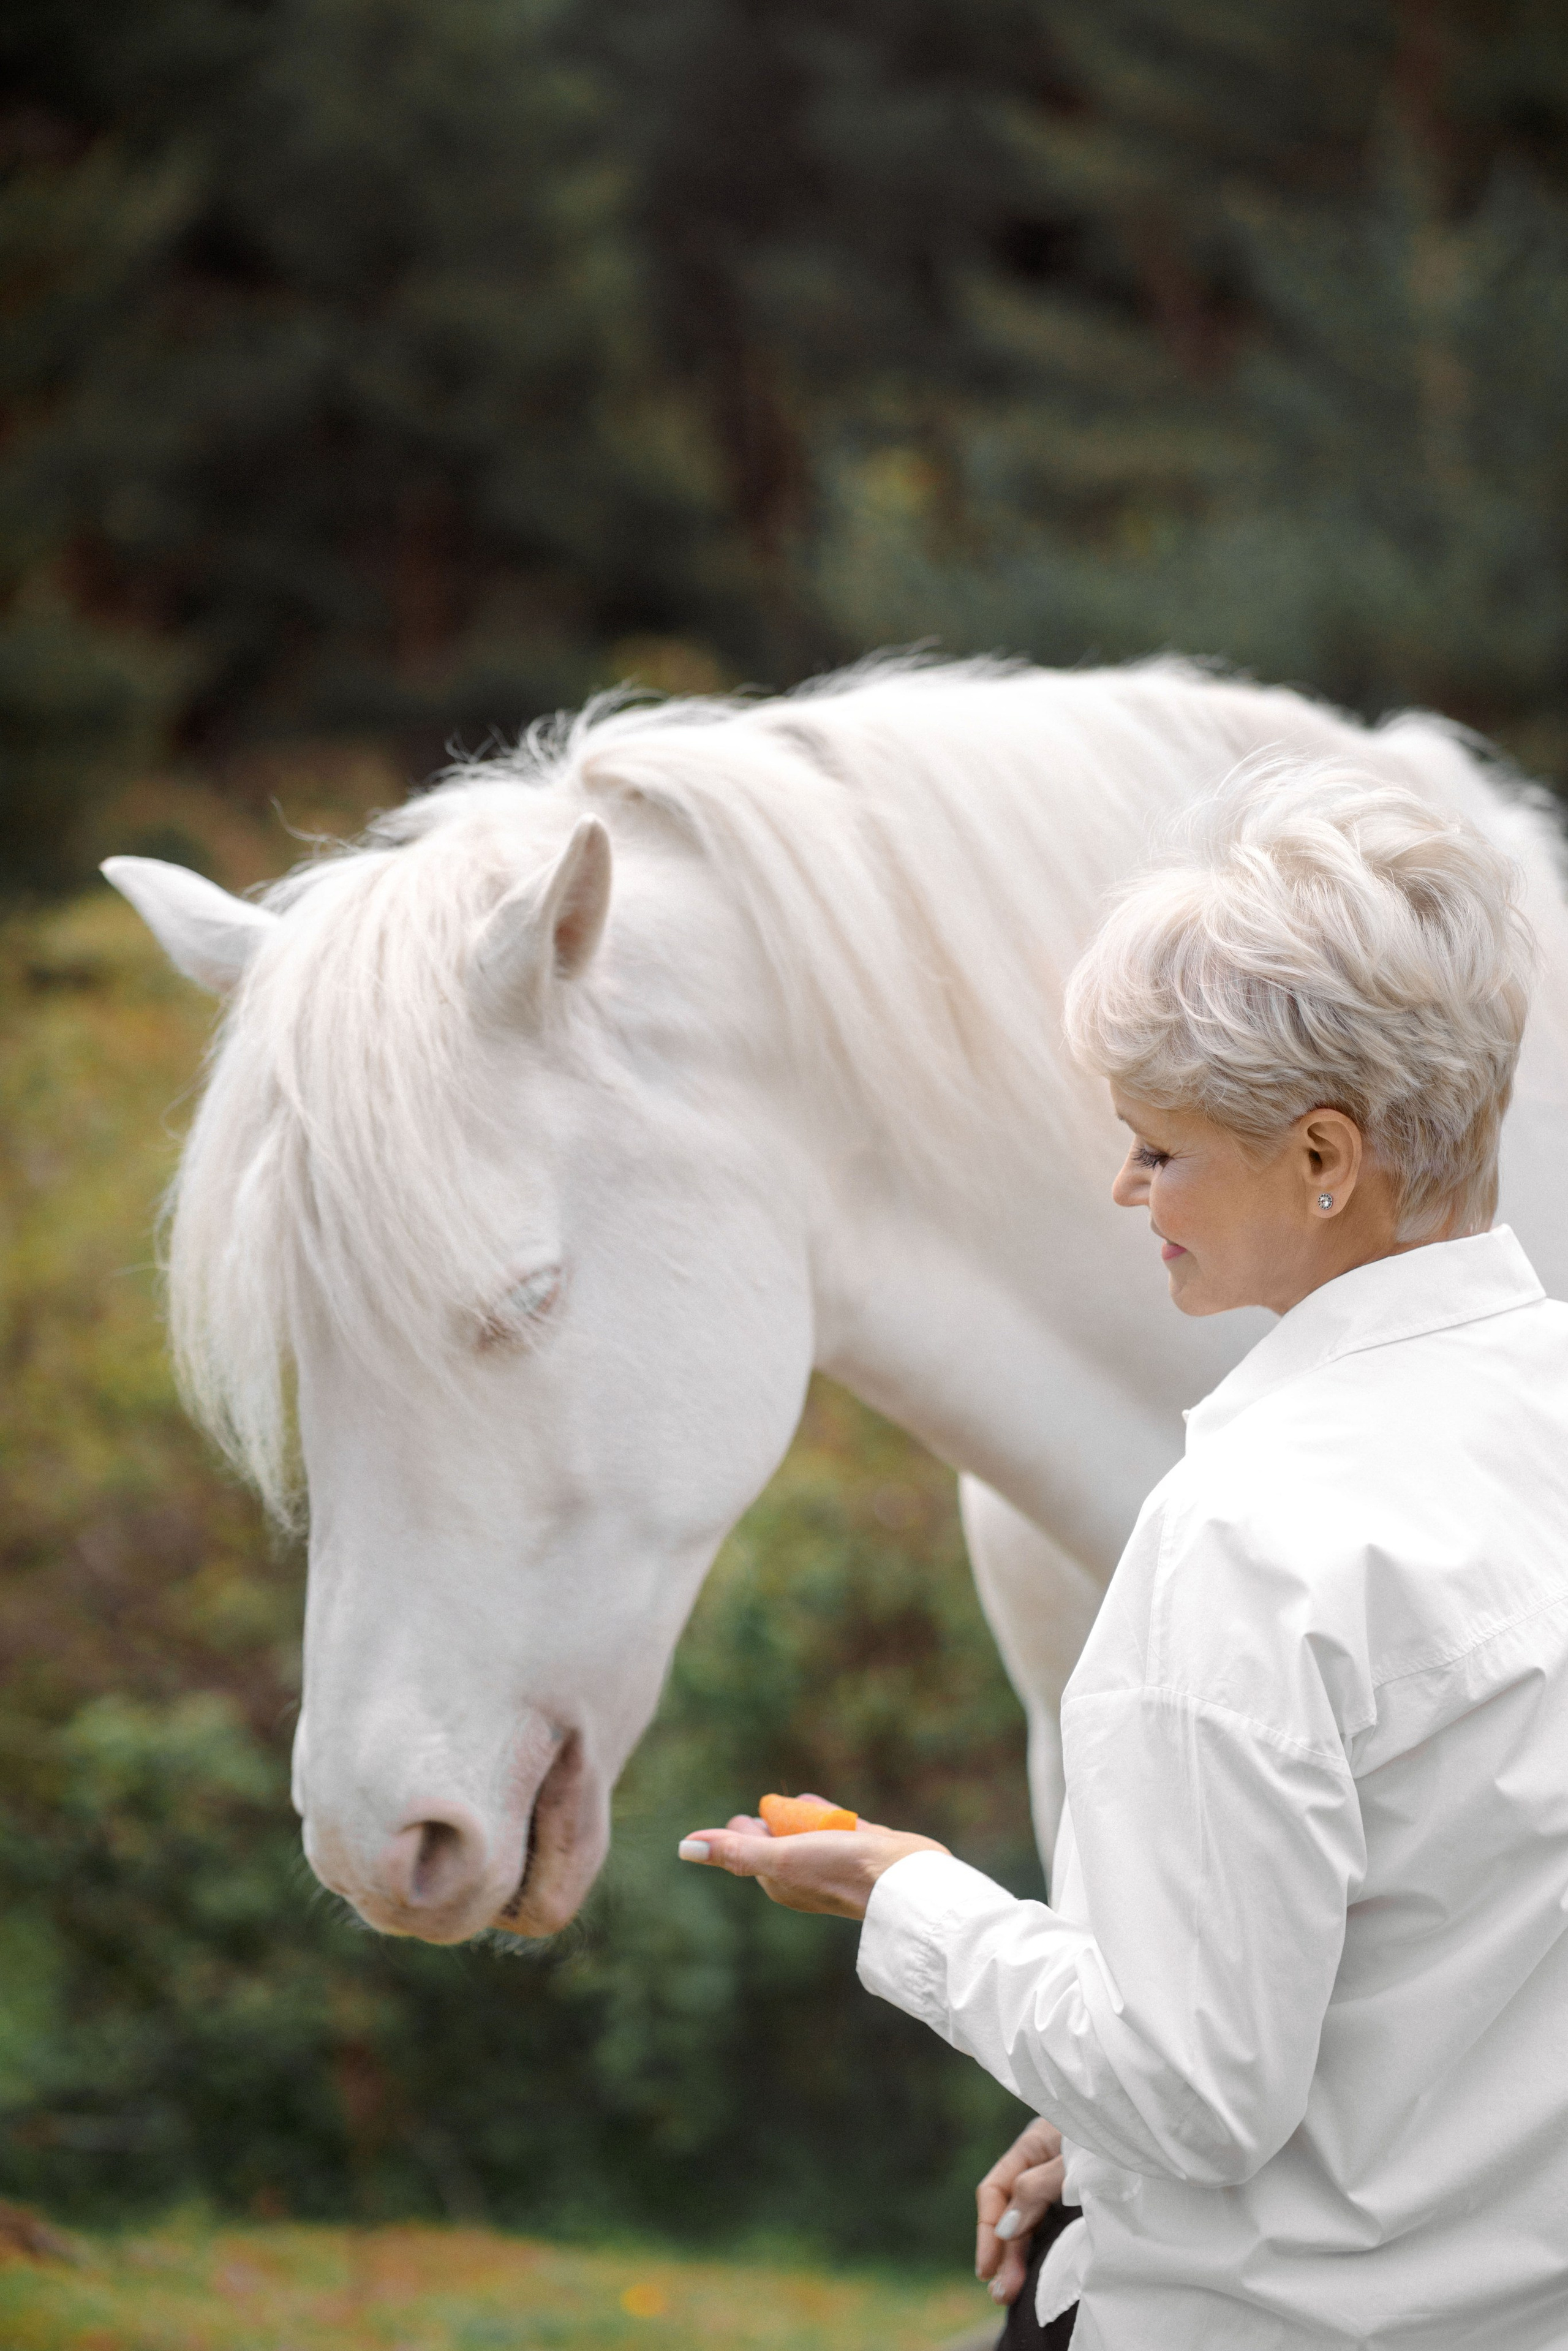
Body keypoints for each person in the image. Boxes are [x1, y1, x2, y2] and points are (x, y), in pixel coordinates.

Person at [677, 763, 1568, 2350]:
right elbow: (1455, 1948)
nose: (1125, 1189)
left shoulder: (1254, 1538)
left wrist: (901, 1891)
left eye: (1161, 1149)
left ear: (1324, 1158)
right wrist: (1102, 2143)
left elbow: (1190, 2090)